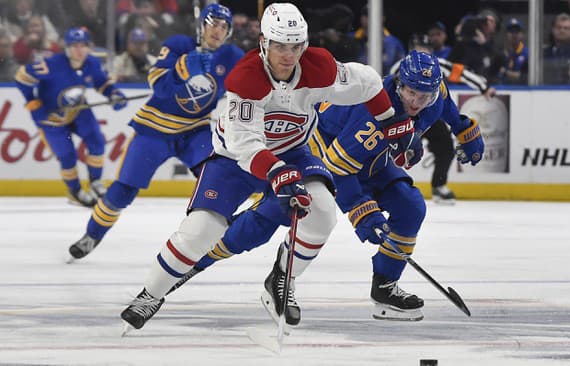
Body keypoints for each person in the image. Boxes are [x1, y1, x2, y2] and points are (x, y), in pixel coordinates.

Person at [120, 2, 411, 332]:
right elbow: (246, 145)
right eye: (279, 46)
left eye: (295, 46)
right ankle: (150, 295)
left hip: (293, 154)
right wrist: (276, 173)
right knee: (202, 230)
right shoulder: (245, 78)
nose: (287, 55)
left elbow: (369, 82)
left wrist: (391, 120)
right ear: (263, 43)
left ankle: (282, 278)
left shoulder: (320, 68)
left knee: (323, 212)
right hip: (234, 161)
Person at [167, 50, 485, 321]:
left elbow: (446, 110)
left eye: (425, 96)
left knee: (410, 206)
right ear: (399, 85)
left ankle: (385, 287)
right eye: (411, 94)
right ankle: (198, 258)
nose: (417, 102)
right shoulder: (372, 115)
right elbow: (340, 170)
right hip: (325, 155)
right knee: (270, 218)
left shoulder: (434, 95)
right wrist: (365, 214)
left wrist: (465, 130)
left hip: (370, 157)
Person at [66, 4, 244, 260]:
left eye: (224, 26)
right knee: (123, 190)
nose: (218, 30)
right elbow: (159, 86)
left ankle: (221, 232)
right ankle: (91, 235)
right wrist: (184, 68)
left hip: (194, 131)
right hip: (154, 129)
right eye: (213, 23)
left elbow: (251, 83)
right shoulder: (179, 44)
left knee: (216, 177)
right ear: (202, 25)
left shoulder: (232, 56)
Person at [15, 27, 128, 207]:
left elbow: (101, 82)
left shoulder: (92, 63)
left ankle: (95, 182)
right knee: (67, 156)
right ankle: (75, 191)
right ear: (67, 48)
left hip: (78, 111)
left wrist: (114, 94)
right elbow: (22, 77)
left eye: (83, 45)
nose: (79, 50)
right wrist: (32, 102)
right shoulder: (51, 64)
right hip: (50, 119)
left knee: (97, 141)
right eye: (74, 45)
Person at [391, 34, 493, 204]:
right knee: (390, 154)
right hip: (400, 118)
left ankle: (439, 185)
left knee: (445, 147)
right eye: (417, 48)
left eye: (425, 49)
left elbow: (461, 73)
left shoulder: (437, 68)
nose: (422, 52)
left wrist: (463, 126)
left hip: (429, 114)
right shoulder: (400, 68)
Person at [349, 4, 405, 75]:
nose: (369, 18)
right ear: (361, 18)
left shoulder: (394, 43)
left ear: (383, 18)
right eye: (365, 14)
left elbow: (400, 69)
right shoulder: (350, 39)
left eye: (373, 14)